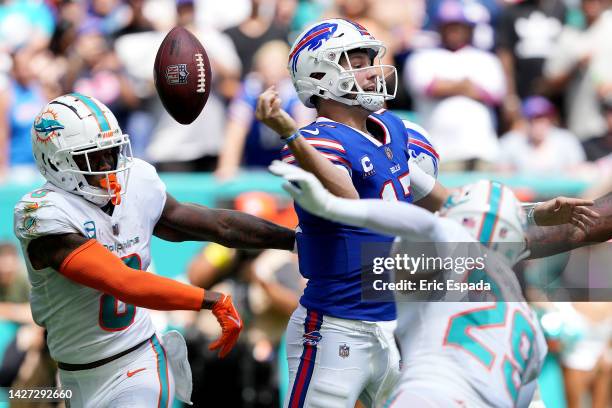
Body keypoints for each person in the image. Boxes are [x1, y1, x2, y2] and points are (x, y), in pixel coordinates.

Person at [257, 17, 602, 408]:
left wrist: (537, 212)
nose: (371, 71)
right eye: (356, 60)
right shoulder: (316, 140)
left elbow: (456, 206)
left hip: (398, 325)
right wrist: (291, 134)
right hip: (335, 324)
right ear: (319, 73)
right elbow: (346, 198)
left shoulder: (395, 132)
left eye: (370, 58)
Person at [13, 93, 296, 407]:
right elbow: (124, 282)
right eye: (93, 157)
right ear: (56, 161)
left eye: (110, 151)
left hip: (138, 361)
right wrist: (210, 300)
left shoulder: (137, 181)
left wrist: (295, 240)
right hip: (72, 373)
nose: (108, 165)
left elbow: (220, 226)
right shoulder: (42, 213)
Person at [268, 160, 603, 407]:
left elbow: (417, 224)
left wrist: (332, 206)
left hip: (429, 395)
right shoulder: (526, 319)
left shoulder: (446, 252)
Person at [499, 96, 586, 173]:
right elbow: (500, 172)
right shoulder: (511, 142)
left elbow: (579, 171)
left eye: (542, 119)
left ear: (550, 120)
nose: (538, 125)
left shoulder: (566, 140)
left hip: (560, 191)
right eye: (533, 120)